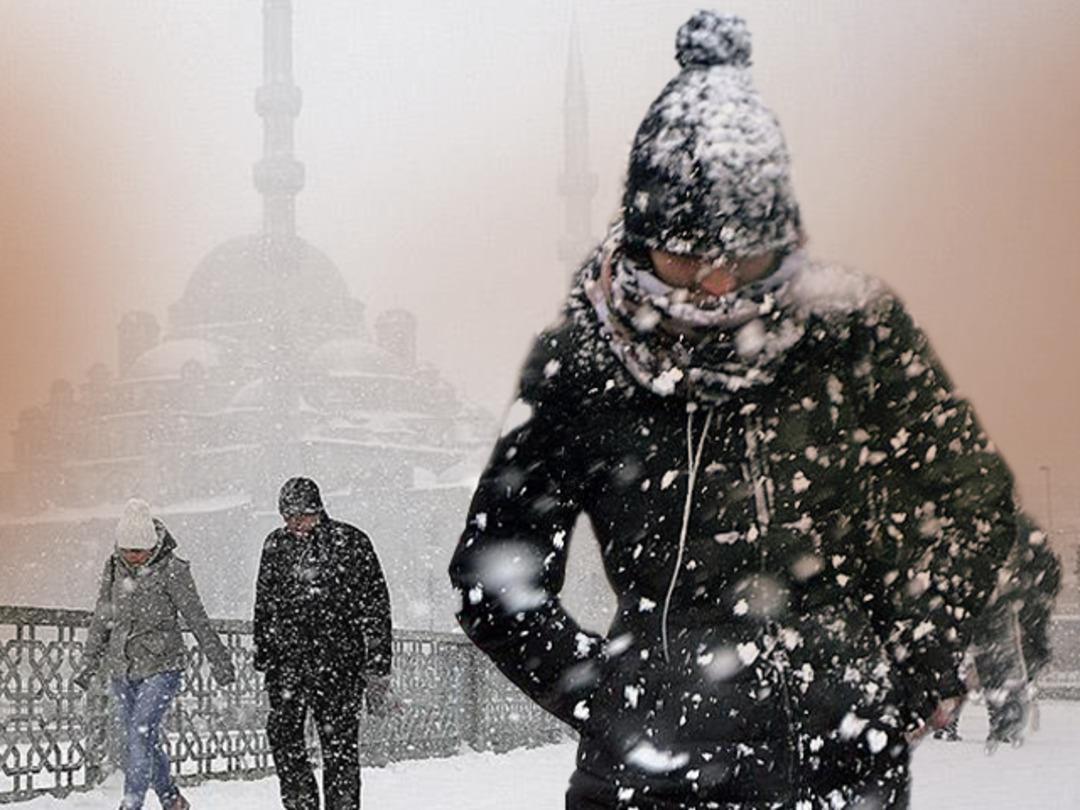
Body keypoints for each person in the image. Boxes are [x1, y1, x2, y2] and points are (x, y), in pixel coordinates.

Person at [449, 11, 1031, 809]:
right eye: (686, 256)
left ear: (782, 237)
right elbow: (495, 575)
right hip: (649, 784)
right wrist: (614, 700)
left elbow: (970, 496)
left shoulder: (852, 333)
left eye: (745, 256)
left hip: (844, 772)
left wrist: (918, 654)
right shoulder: (584, 366)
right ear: (640, 238)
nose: (718, 285)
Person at [74, 497, 236, 810]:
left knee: (140, 733)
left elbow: (196, 617)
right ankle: (171, 799)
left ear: (152, 545)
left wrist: (220, 661)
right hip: (122, 667)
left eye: (139, 551)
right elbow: (102, 616)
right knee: (141, 738)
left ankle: (131, 804)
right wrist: (88, 662)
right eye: (127, 550)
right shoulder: (113, 567)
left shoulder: (173, 570)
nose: (133, 557)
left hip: (163, 666)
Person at [254, 477, 393, 810]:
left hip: (339, 664)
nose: (295, 524)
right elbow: (264, 603)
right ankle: (301, 804)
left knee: (340, 748)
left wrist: (378, 664)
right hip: (288, 663)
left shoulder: (351, 542)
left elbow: (376, 607)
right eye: (288, 517)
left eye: (301, 515)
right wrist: (264, 653)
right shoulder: (275, 545)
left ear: (317, 510)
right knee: (284, 739)